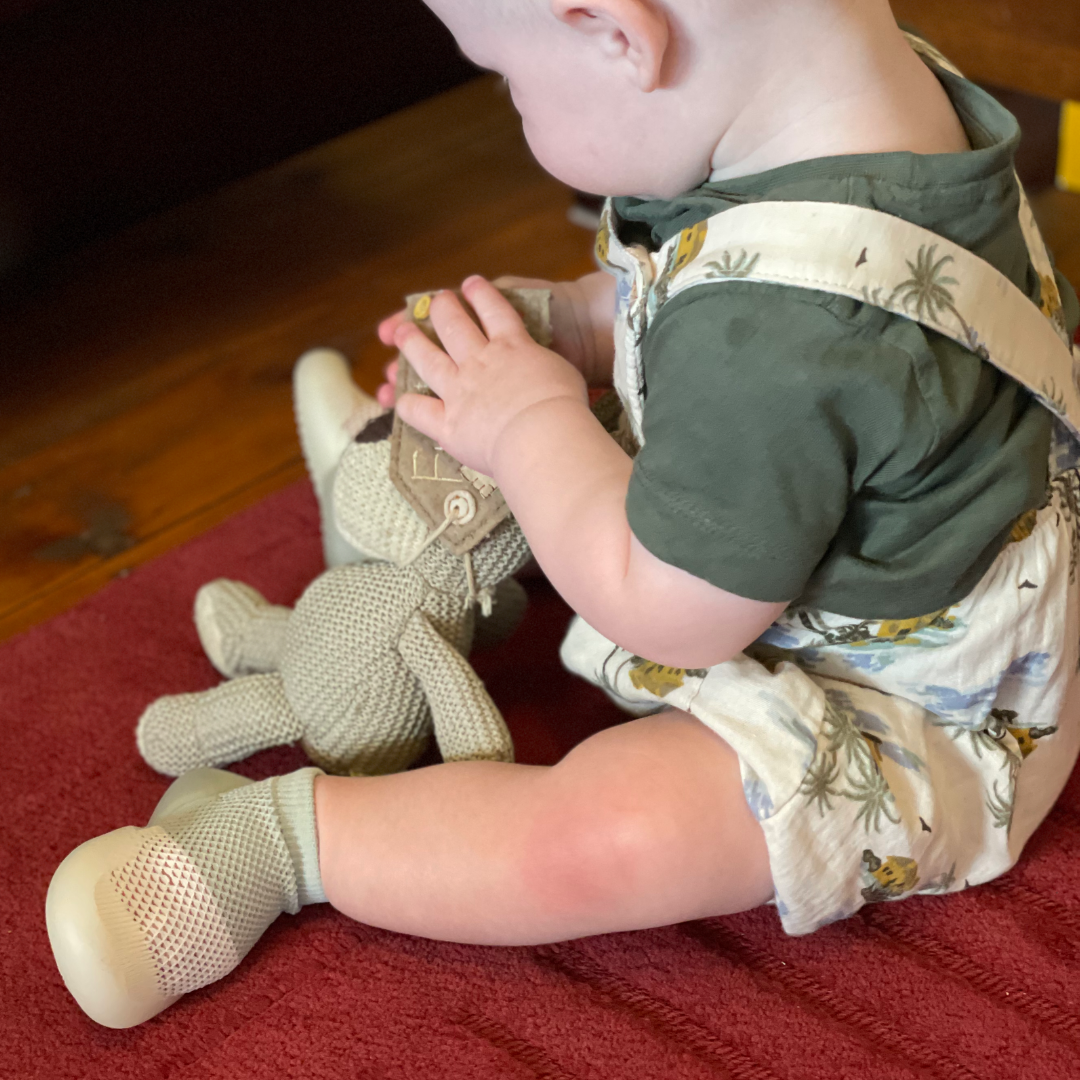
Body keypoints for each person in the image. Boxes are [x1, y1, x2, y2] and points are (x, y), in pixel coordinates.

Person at [46, 0, 1080, 1029]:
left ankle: (271, 843)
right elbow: (709, 288)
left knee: (611, 839)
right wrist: (581, 324)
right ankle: (402, 493)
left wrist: (529, 422)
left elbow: (668, 609)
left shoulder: (785, 341)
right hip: (873, 526)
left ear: (620, 35)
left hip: (906, 714)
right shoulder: (856, 90)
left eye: (506, 78)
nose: (512, 103)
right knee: (561, 415)